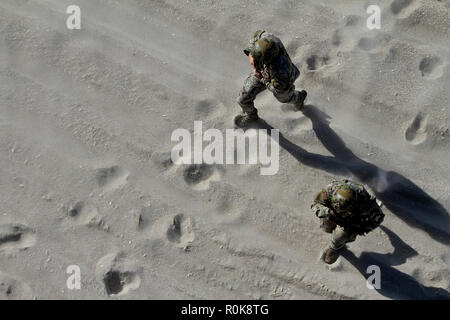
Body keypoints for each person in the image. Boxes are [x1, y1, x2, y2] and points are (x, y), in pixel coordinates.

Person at [235, 30, 307, 128]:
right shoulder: (267, 38)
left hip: (280, 82)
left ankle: (298, 98)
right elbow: (257, 35)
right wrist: (251, 57)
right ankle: (251, 115)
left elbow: (275, 88)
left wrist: (261, 78)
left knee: (284, 97)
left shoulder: (280, 72)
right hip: (262, 72)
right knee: (242, 99)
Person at [311, 179, 385, 264]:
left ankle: (335, 248)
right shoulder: (331, 190)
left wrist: (361, 229)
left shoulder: (365, 202)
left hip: (353, 220)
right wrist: (328, 212)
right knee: (326, 226)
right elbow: (315, 204)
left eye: (346, 210)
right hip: (333, 214)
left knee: (341, 235)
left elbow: (378, 219)